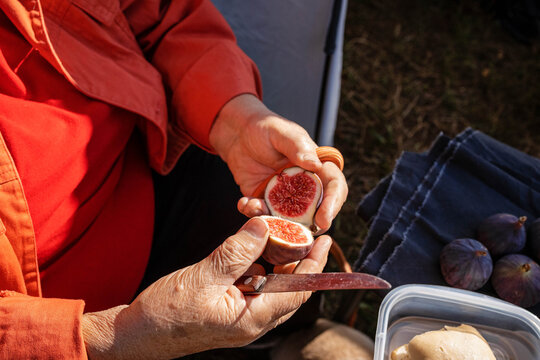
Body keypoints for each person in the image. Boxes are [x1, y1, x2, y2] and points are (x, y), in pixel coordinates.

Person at [0, 0, 348, 358]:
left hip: (147, 167)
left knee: (274, 284)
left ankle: (290, 337)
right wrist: (114, 338)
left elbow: (156, 13)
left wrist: (234, 118)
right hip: (71, 331)